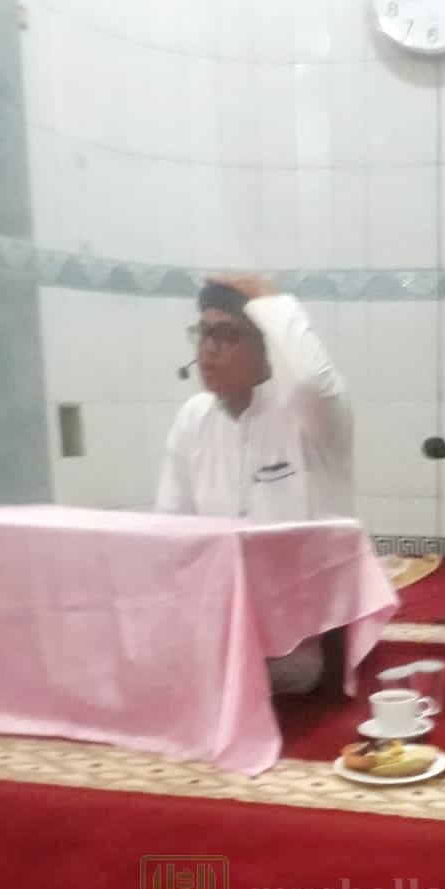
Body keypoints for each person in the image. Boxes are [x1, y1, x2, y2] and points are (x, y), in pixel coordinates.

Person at [157, 275, 355, 695]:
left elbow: (312, 380)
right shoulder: (193, 419)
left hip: (302, 643)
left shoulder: (307, 417)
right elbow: (171, 532)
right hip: (220, 629)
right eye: (204, 333)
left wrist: (265, 293)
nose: (209, 349)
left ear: (267, 349)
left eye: (227, 335)